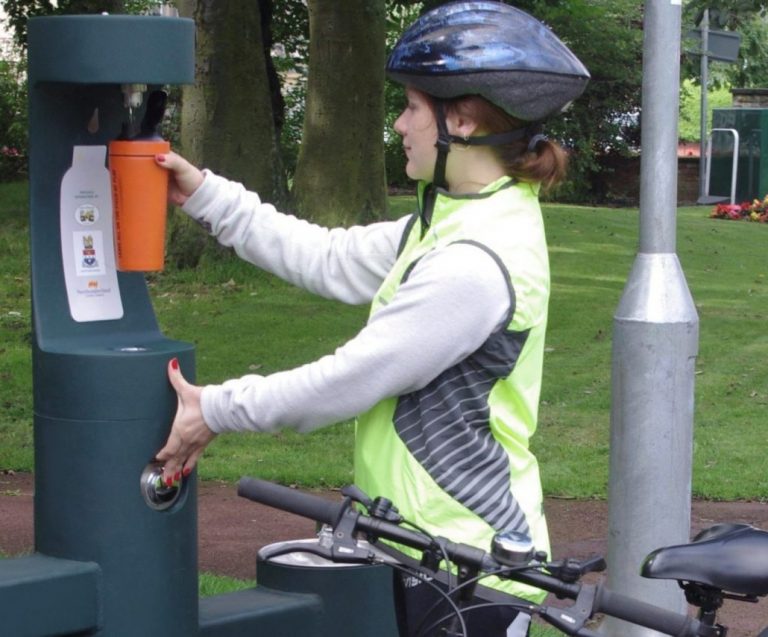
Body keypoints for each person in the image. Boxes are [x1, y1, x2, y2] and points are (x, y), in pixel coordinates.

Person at [155, 2, 589, 635]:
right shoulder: (455, 221)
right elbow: (328, 257)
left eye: (413, 107)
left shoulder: (474, 261)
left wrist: (217, 409)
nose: (400, 123)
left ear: (461, 120)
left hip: (465, 567)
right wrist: (206, 196)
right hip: (422, 547)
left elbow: (352, 378)